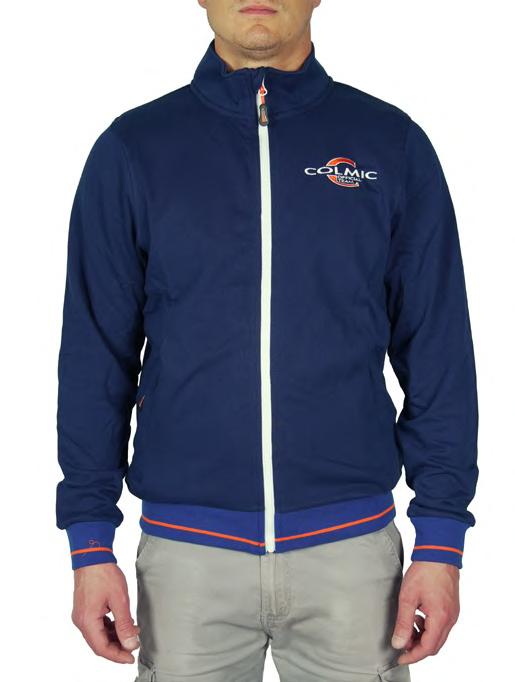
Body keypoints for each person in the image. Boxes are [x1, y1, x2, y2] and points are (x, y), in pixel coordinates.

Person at [56, 1, 478, 680]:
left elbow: (439, 351)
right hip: (186, 563)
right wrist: (88, 541)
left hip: (352, 560)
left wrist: (441, 538)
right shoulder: (134, 149)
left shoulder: (388, 144)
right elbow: (93, 358)